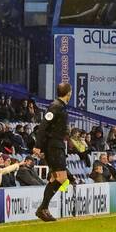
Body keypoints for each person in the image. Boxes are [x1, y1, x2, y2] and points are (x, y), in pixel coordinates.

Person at [32, 82, 72, 222]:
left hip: (56, 144)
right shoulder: (56, 106)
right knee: (62, 178)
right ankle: (43, 208)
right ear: (69, 93)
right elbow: (44, 126)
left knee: (55, 178)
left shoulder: (60, 106)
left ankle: (44, 209)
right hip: (54, 146)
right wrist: (38, 146)